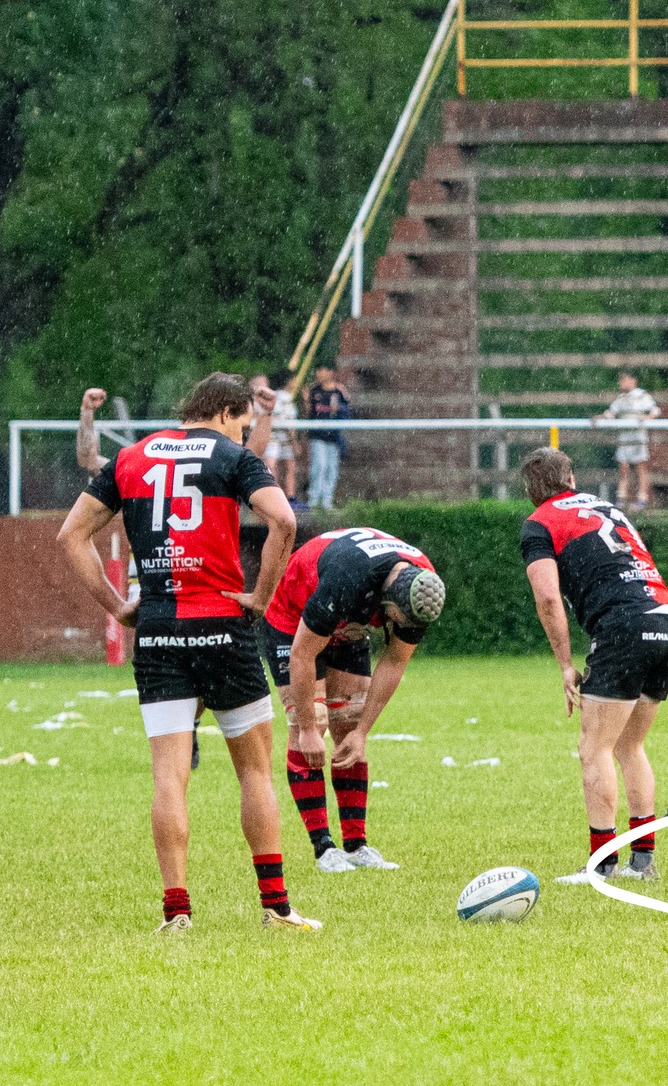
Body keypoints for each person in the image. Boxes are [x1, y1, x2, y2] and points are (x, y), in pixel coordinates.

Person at [56, 372, 310, 931]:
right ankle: (275, 907)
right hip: (224, 622)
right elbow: (283, 519)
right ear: (224, 413)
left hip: (160, 629)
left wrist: (118, 605)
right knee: (255, 773)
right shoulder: (231, 457)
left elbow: (70, 535)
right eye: (244, 424)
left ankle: (177, 912)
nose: (245, 436)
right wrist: (262, 597)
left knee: (169, 776)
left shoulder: (134, 457)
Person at [519, 448, 668, 883]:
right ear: (570, 478)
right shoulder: (606, 505)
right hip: (667, 622)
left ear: (530, 490)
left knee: (594, 749)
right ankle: (643, 862)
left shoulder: (540, 523)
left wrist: (565, 664)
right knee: (630, 747)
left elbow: (548, 597)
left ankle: (603, 864)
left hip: (623, 627)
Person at [262, 526, 446, 872]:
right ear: (387, 602)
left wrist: (363, 731)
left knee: (349, 720)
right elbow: (301, 654)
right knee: (312, 723)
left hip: (348, 621)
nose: (393, 626)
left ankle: (356, 844)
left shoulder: (423, 587)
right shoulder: (349, 577)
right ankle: (323, 848)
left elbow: (394, 662)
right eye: (393, 619)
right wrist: (306, 730)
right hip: (293, 616)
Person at [601, 371, 661, 511]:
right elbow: (610, 413)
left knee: (641, 466)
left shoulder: (642, 396)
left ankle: (642, 499)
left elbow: (655, 411)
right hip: (624, 435)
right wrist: (599, 418)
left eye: (623, 379)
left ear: (632, 380)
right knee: (624, 466)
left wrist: (645, 419)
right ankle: (622, 498)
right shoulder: (621, 398)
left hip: (638, 435)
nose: (620, 383)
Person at [304, 366, 352, 510]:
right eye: (317, 370)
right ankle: (314, 499)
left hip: (334, 436)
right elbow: (309, 414)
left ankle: (327, 500)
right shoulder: (313, 391)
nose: (319, 374)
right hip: (317, 435)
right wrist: (306, 401)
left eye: (322, 370)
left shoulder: (339, 390)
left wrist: (339, 410)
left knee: (332, 467)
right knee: (320, 465)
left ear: (331, 372)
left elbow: (348, 411)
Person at [263, 370, 300, 503]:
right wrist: (294, 441)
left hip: (273, 437)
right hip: (282, 439)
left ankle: (275, 498)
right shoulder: (286, 398)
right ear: (288, 381)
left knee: (275, 468)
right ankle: (289, 498)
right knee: (289, 468)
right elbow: (288, 422)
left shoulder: (273, 396)